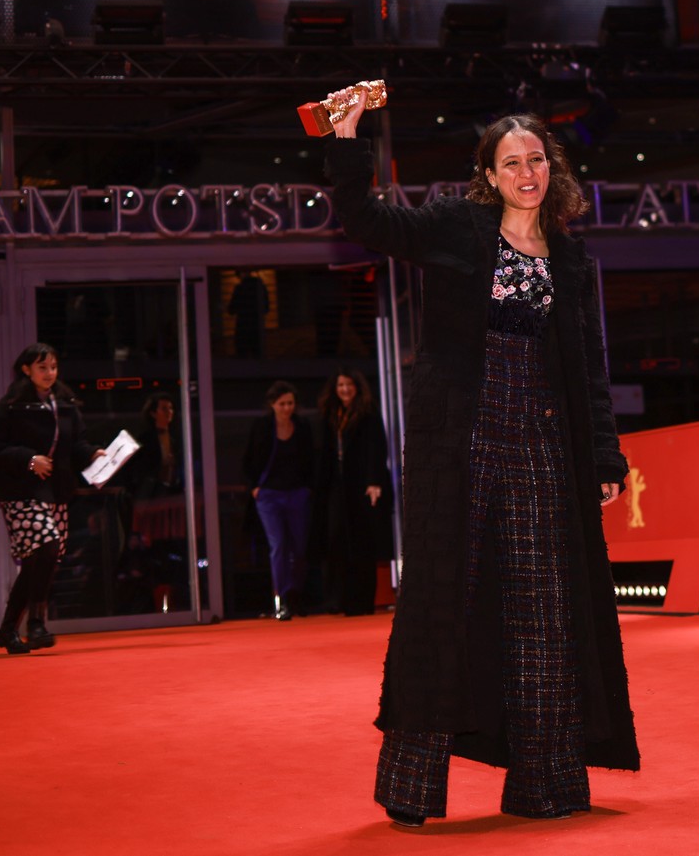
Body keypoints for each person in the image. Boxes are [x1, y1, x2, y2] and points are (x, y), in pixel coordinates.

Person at [325, 87, 639, 826]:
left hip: (541, 447)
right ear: (489, 174)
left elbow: (589, 367)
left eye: (536, 159)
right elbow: (368, 220)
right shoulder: (457, 227)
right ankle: (410, 787)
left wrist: (603, 455)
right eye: (511, 162)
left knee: (543, 609)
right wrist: (347, 144)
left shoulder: (570, 257)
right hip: (458, 446)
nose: (526, 171)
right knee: (441, 605)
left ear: (550, 169)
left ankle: (547, 781)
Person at [0, 343, 104, 654]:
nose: (49, 373)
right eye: (42, 367)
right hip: (21, 491)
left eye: (52, 367)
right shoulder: (11, 405)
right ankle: (36, 624)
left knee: (42, 559)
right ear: (26, 370)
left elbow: (76, 443)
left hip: (55, 490)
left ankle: (10, 629)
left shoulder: (64, 403)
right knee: (47, 545)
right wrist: (28, 458)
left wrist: (92, 453)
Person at [315, 367, 392, 616]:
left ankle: (363, 601)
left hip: (362, 485)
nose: (345, 390)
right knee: (338, 540)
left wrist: (374, 482)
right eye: (340, 385)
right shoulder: (330, 414)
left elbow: (377, 449)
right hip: (338, 486)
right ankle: (342, 599)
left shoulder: (368, 413)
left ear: (357, 387)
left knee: (363, 542)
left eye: (349, 385)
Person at [242, 380, 315, 620]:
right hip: (269, 495)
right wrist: (255, 488)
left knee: (300, 547)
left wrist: (308, 487)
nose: (287, 408)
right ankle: (282, 598)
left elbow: (311, 459)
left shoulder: (302, 426)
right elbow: (249, 459)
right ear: (272, 404)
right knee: (278, 546)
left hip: (297, 493)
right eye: (282, 403)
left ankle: (297, 596)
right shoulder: (262, 426)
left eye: (290, 403)